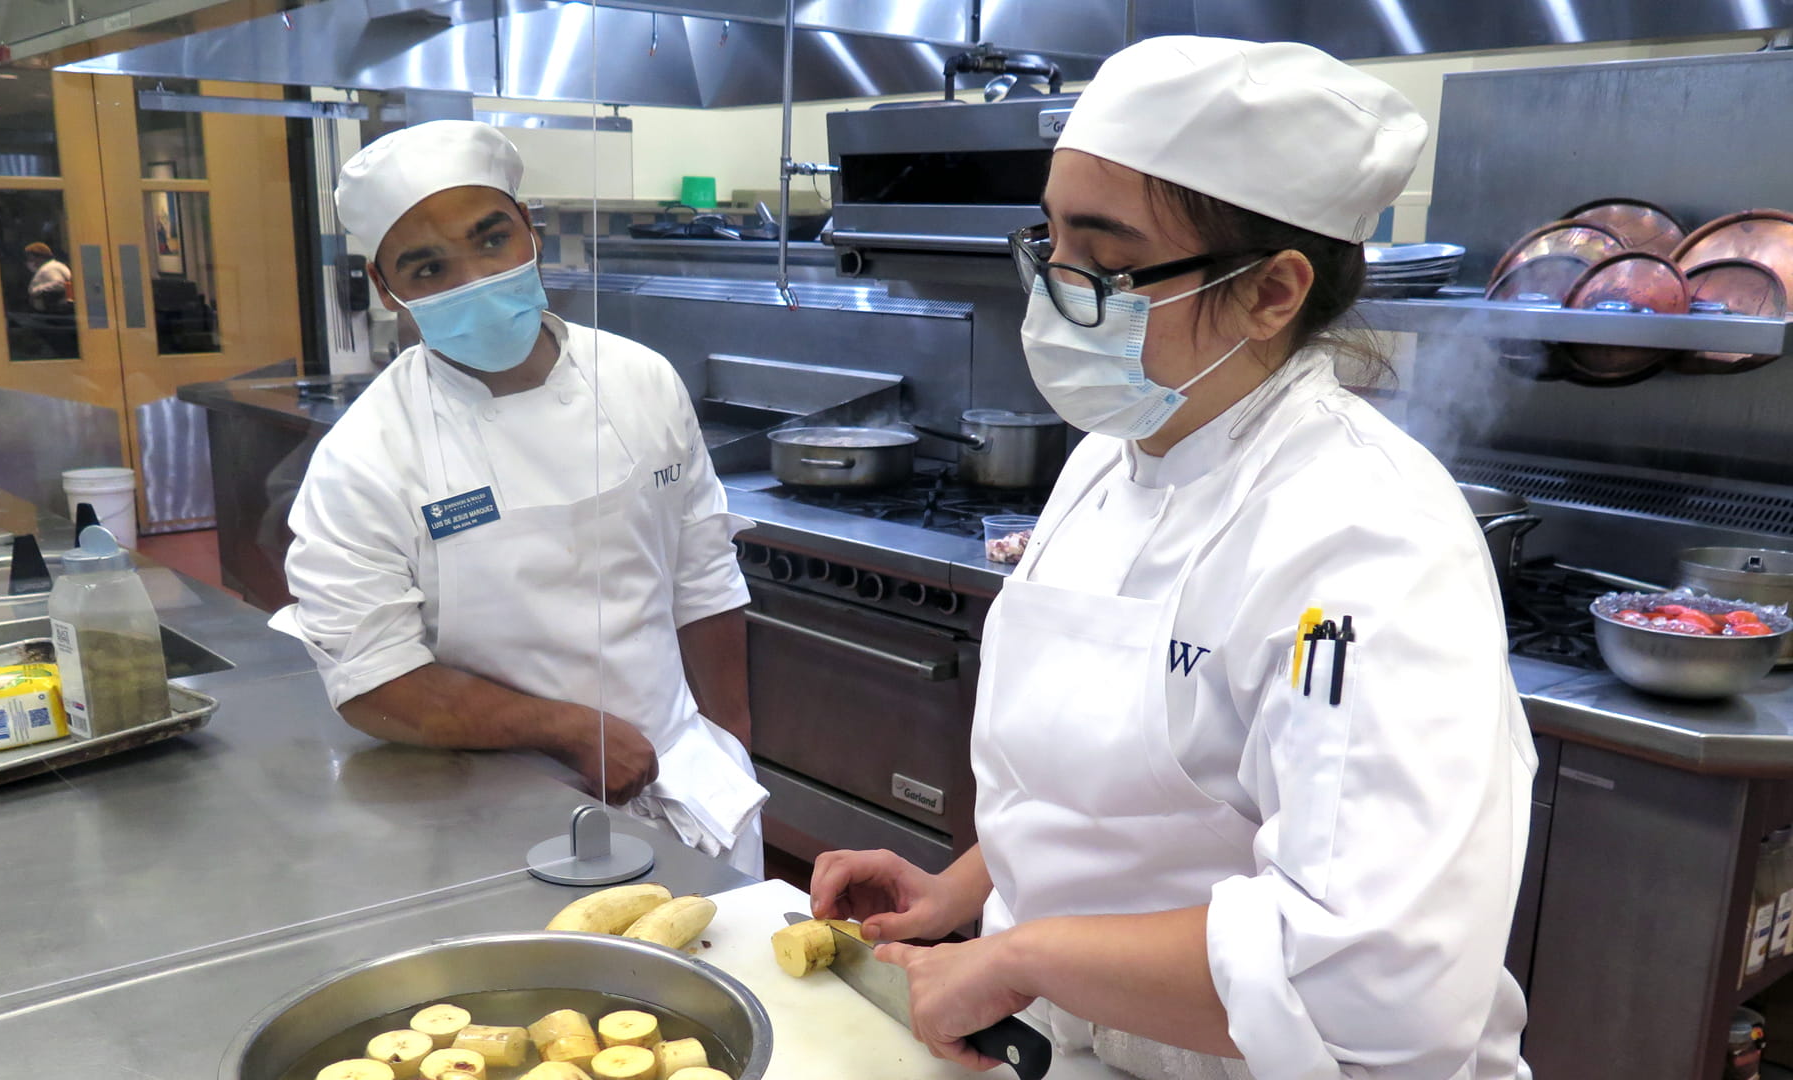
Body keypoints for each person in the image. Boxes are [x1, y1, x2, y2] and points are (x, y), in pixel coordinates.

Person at [809, 37, 1536, 1080]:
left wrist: (1022, 956)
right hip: (1075, 1044)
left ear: (1273, 293)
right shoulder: (1111, 457)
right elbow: (1125, 798)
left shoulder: (1368, 538)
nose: (1055, 290)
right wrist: (965, 890)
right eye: (1049, 238)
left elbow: (1377, 988)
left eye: (1105, 261)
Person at [273, 121, 767, 875]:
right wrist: (566, 729)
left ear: (530, 233)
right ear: (387, 289)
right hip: (503, 809)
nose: (475, 278)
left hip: (691, 785)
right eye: (429, 266)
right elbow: (372, 681)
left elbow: (702, 573)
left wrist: (730, 735)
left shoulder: (641, 381)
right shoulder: (366, 458)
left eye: (492, 239)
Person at [24, 242, 72, 313]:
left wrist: (36, 291)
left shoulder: (50, 268)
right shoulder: (53, 266)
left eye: (31, 258)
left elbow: (59, 284)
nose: (29, 261)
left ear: (40, 257)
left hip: (55, 311)